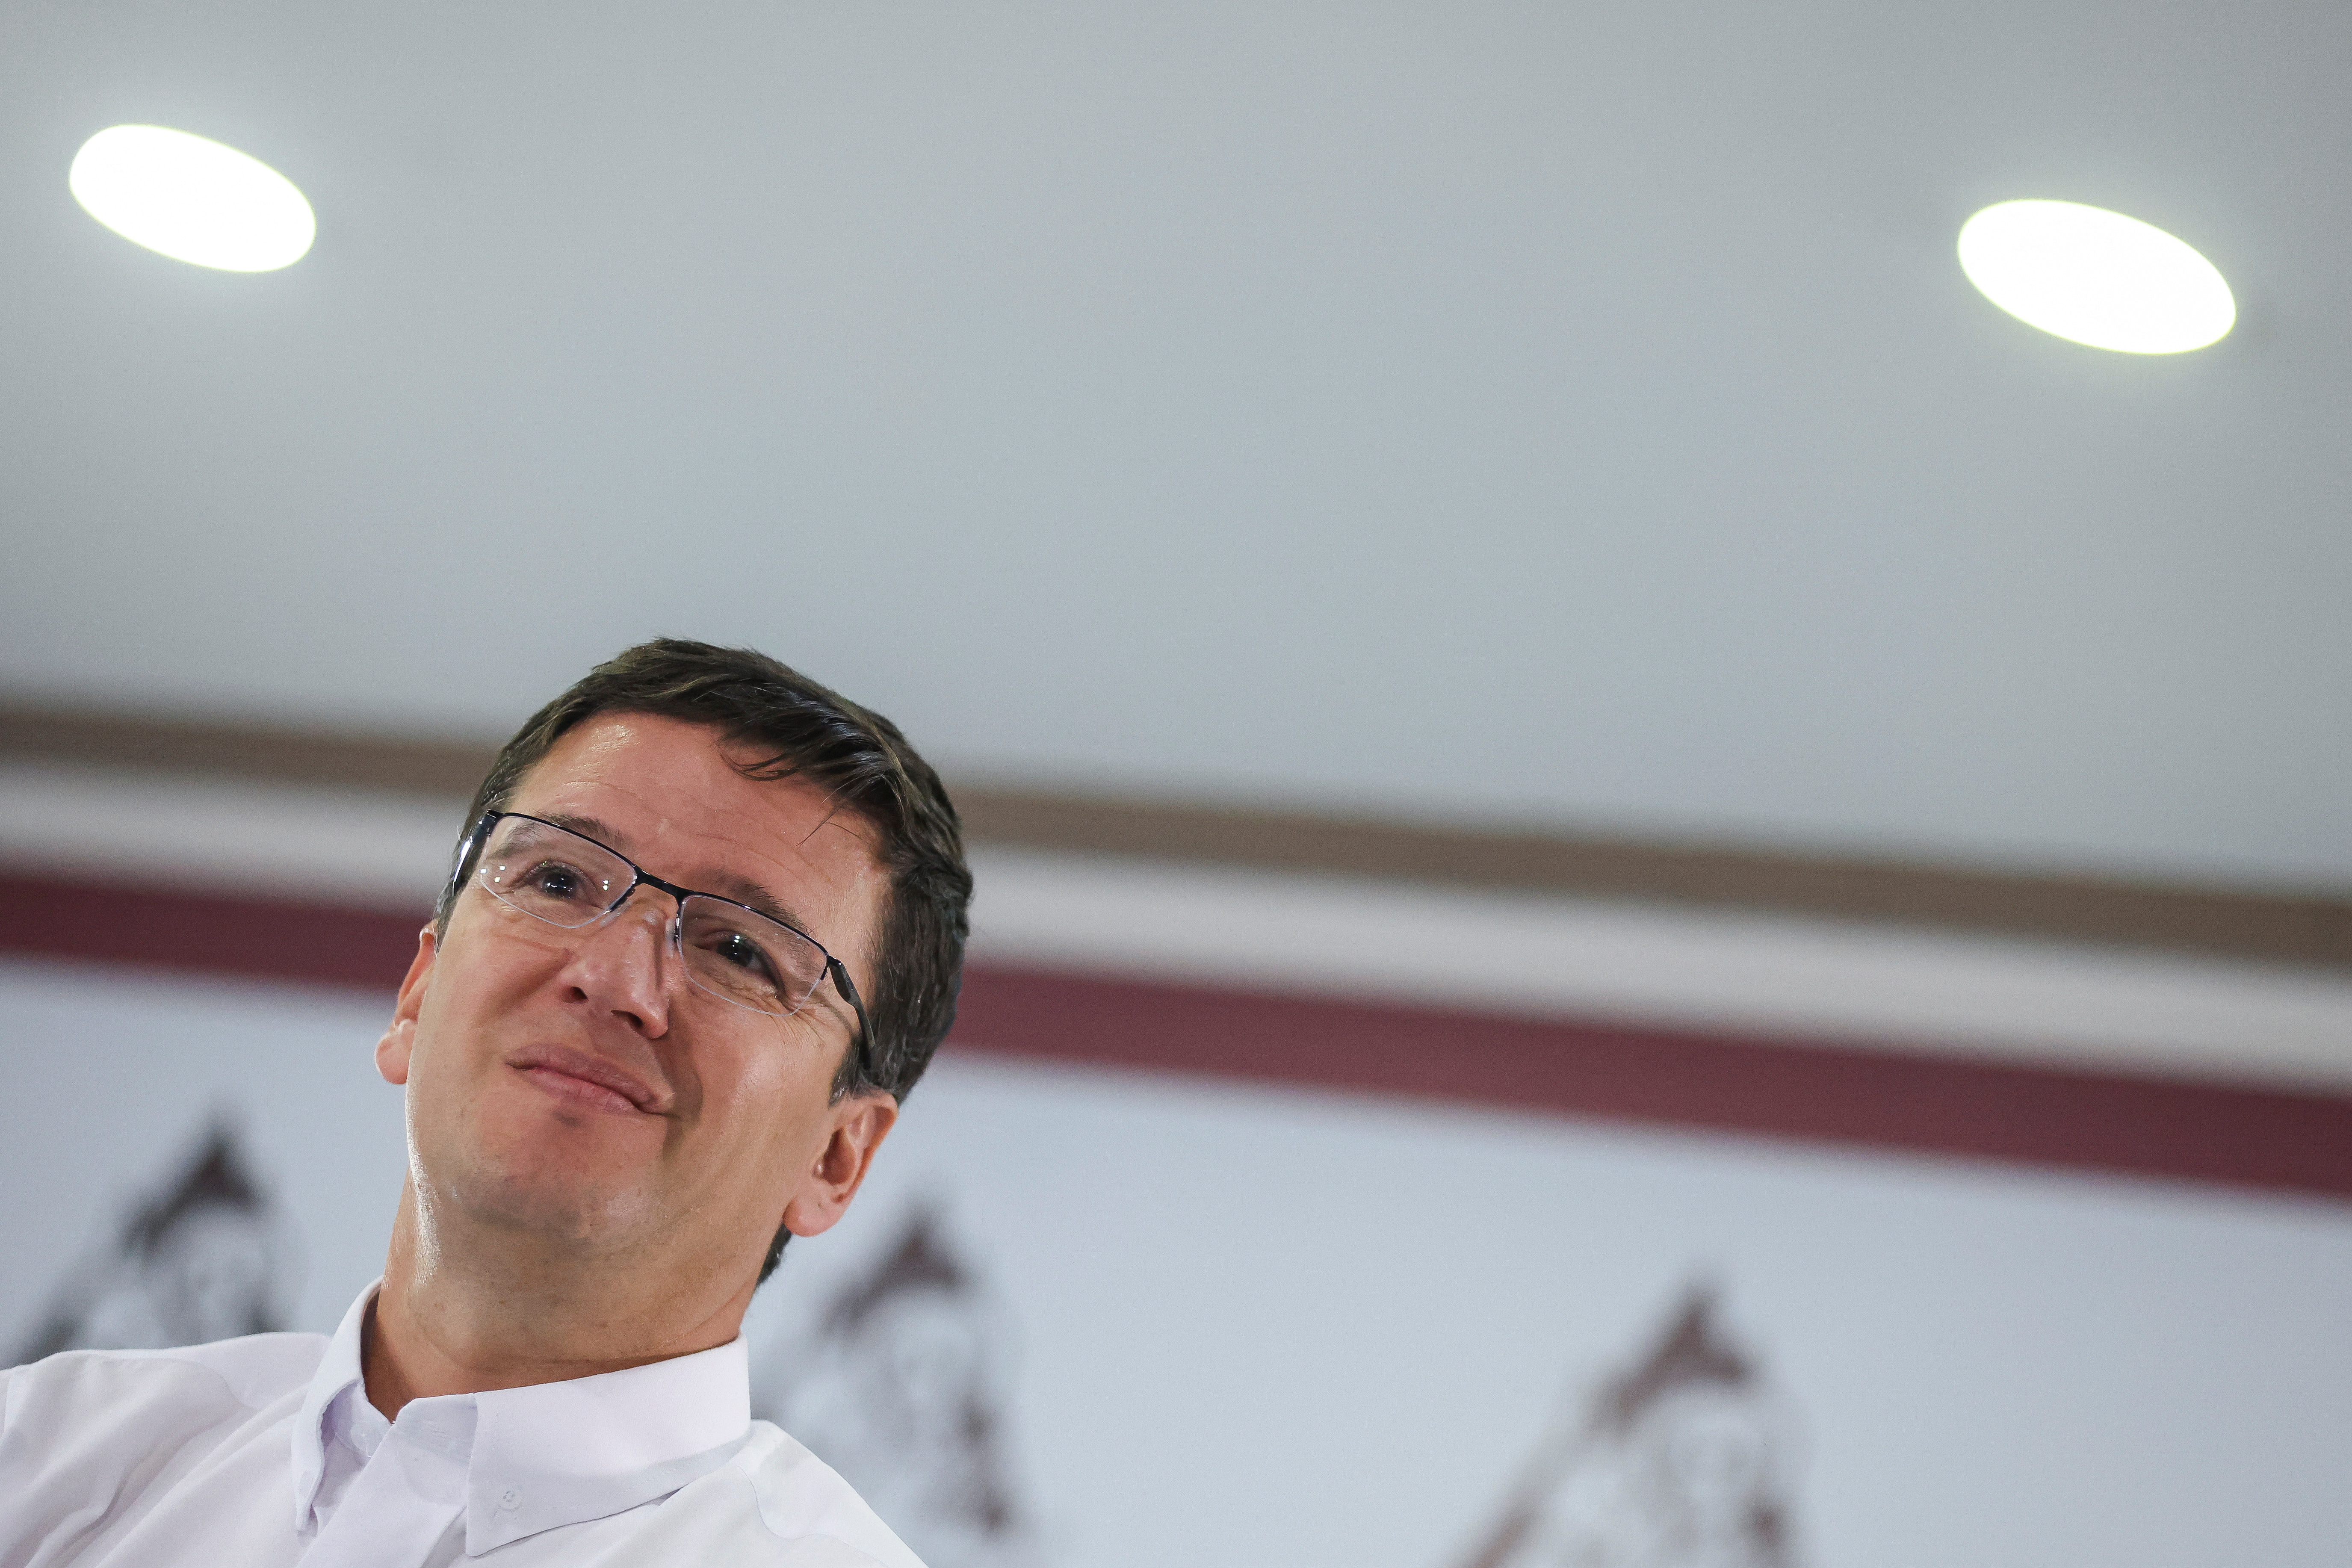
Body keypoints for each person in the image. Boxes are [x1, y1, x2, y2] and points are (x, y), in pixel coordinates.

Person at [0, 640, 975, 1568]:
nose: (612, 976)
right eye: (557, 878)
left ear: (836, 1156)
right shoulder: (46, 1458)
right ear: (416, 995)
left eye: (737, 950)